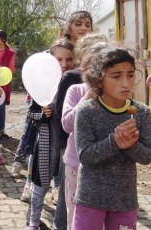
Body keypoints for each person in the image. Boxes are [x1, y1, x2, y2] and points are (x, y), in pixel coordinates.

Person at [73, 45, 151, 229]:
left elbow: (147, 156)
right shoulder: (86, 111)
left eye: (130, 75)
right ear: (99, 80)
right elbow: (85, 156)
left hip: (125, 200)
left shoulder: (141, 112)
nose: (126, 83)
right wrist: (114, 142)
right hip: (90, 199)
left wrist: (131, 145)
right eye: (116, 76)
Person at [51, 33, 106, 230]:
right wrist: (89, 97)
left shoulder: (115, 92)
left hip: (105, 166)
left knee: (101, 216)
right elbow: (66, 123)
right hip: (75, 162)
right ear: (83, 64)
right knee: (74, 214)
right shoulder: (76, 90)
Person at [25, 38, 75, 230]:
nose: (64, 64)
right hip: (46, 143)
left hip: (68, 146)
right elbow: (31, 113)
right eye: (59, 59)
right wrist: (42, 115)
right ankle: (34, 222)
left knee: (65, 188)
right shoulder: (44, 83)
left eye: (69, 59)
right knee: (40, 184)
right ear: (51, 59)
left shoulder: (75, 83)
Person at [0, 30, 15, 140]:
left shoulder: (10, 53)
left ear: (3, 39)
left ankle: (1, 131)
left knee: (0, 107)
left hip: (3, 83)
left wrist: (1, 73)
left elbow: (11, 68)